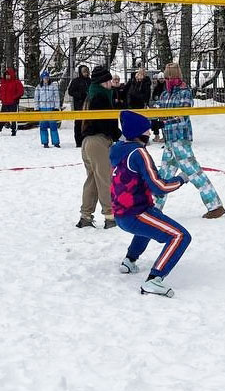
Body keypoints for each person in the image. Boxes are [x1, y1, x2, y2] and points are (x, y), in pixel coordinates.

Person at [110, 110, 192, 297]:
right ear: (139, 133)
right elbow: (159, 187)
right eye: (147, 130)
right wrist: (180, 179)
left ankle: (130, 260)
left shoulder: (117, 148)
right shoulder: (139, 152)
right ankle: (154, 280)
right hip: (135, 213)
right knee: (180, 236)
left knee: (154, 217)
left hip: (122, 214)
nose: (149, 133)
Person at [153, 62, 225, 218]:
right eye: (165, 77)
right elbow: (157, 110)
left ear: (175, 77)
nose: (166, 80)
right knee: (163, 176)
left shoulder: (184, 92)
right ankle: (154, 208)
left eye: (169, 77)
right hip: (169, 141)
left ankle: (215, 206)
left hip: (180, 139)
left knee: (194, 172)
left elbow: (182, 116)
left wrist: (164, 120)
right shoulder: (165, 94)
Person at [77, 65, 121, 229]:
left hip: (87, 142)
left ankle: (85, 216)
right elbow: (106, 123)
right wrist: (121, 135)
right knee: (104, 179)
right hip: (98, 141)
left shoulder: (92, 94)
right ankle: (110, 217)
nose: (111, 83)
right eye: (109, 80)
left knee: (93, 180)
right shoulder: (100, 97)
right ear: (103, 82)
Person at [0, 67, 25, 136]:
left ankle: (14, 131)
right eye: (6, 75)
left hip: (13, 103)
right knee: (2, 118)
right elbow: (0, 92)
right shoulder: (3, 83)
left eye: (8, 75)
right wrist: (1, 98)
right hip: (5, 103)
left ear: (12, 75)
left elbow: (21, 92)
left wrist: (14, 98)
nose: (7, 76)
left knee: (13, 118)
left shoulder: (16, 82)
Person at [35, 71, 61, 147]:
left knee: (53, 125)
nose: (45, 79)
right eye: (44, 78)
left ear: (49, 78)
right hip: (42, 108)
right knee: (43, 126)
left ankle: (56, 142)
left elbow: (57, 97)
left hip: (51, 108)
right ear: (42, 79)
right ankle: (45, 142)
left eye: (47, 78)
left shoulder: (53, 86)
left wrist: (56, 107)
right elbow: (36, 98)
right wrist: (36, 108)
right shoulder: (39, 87)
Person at [69, 65, 92, 148]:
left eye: (87, 71)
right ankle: (78, 142)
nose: (86, 73)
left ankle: (87, 140)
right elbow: (70, 91)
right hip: (79, 105)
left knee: (88, 124)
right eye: (84, 71)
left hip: (89, 106)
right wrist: (80, 95)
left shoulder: (90, 81)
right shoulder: (76, 81)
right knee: (78, 124)